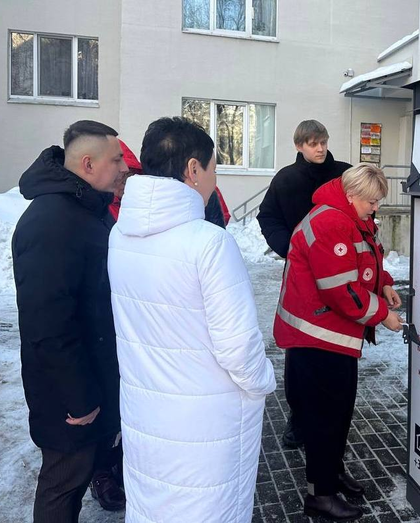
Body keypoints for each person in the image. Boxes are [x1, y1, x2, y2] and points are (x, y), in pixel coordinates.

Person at [108, 116, 276, 523]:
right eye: (214, 169)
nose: (214, 181)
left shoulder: (120, 234)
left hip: (145, 410)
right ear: (193, 169)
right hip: (206, 423)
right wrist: (263, 382)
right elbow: (238, 348)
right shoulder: (209, 243)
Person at [12, 120, 129, 522]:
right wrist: (78, 398)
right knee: (64, 482)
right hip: (67, 394)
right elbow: (47, 324)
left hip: (92, 377)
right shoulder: (51, 222)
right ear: (88, 164)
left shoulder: (85, 210)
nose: (123, 168)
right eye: (116, 160)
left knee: (78, 474)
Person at [273, 163, 404, 521]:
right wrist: (383, 315)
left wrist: (384, 283)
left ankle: (331, 471)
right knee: (325, 418)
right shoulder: (331, 222)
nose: (375, 208)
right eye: (372, 201)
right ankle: (320, 494)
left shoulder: (349, 216)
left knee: (339, 412)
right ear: (351, 195)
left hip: (330, 335)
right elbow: (341, 290)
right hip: (316, 338)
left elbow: (365, 259)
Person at [257, 119, 351, 449]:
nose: (320, 148)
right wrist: (289, 247)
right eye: (313, 143)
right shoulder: (286, 179)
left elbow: (365, 210)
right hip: (302, 278)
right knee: (300, 349)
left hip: (341, 275)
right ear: (299, 145)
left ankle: (336, 416)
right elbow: (267, 216)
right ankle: (298, 417)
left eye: (323, 141)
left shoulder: (345, 175)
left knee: (338, 345)